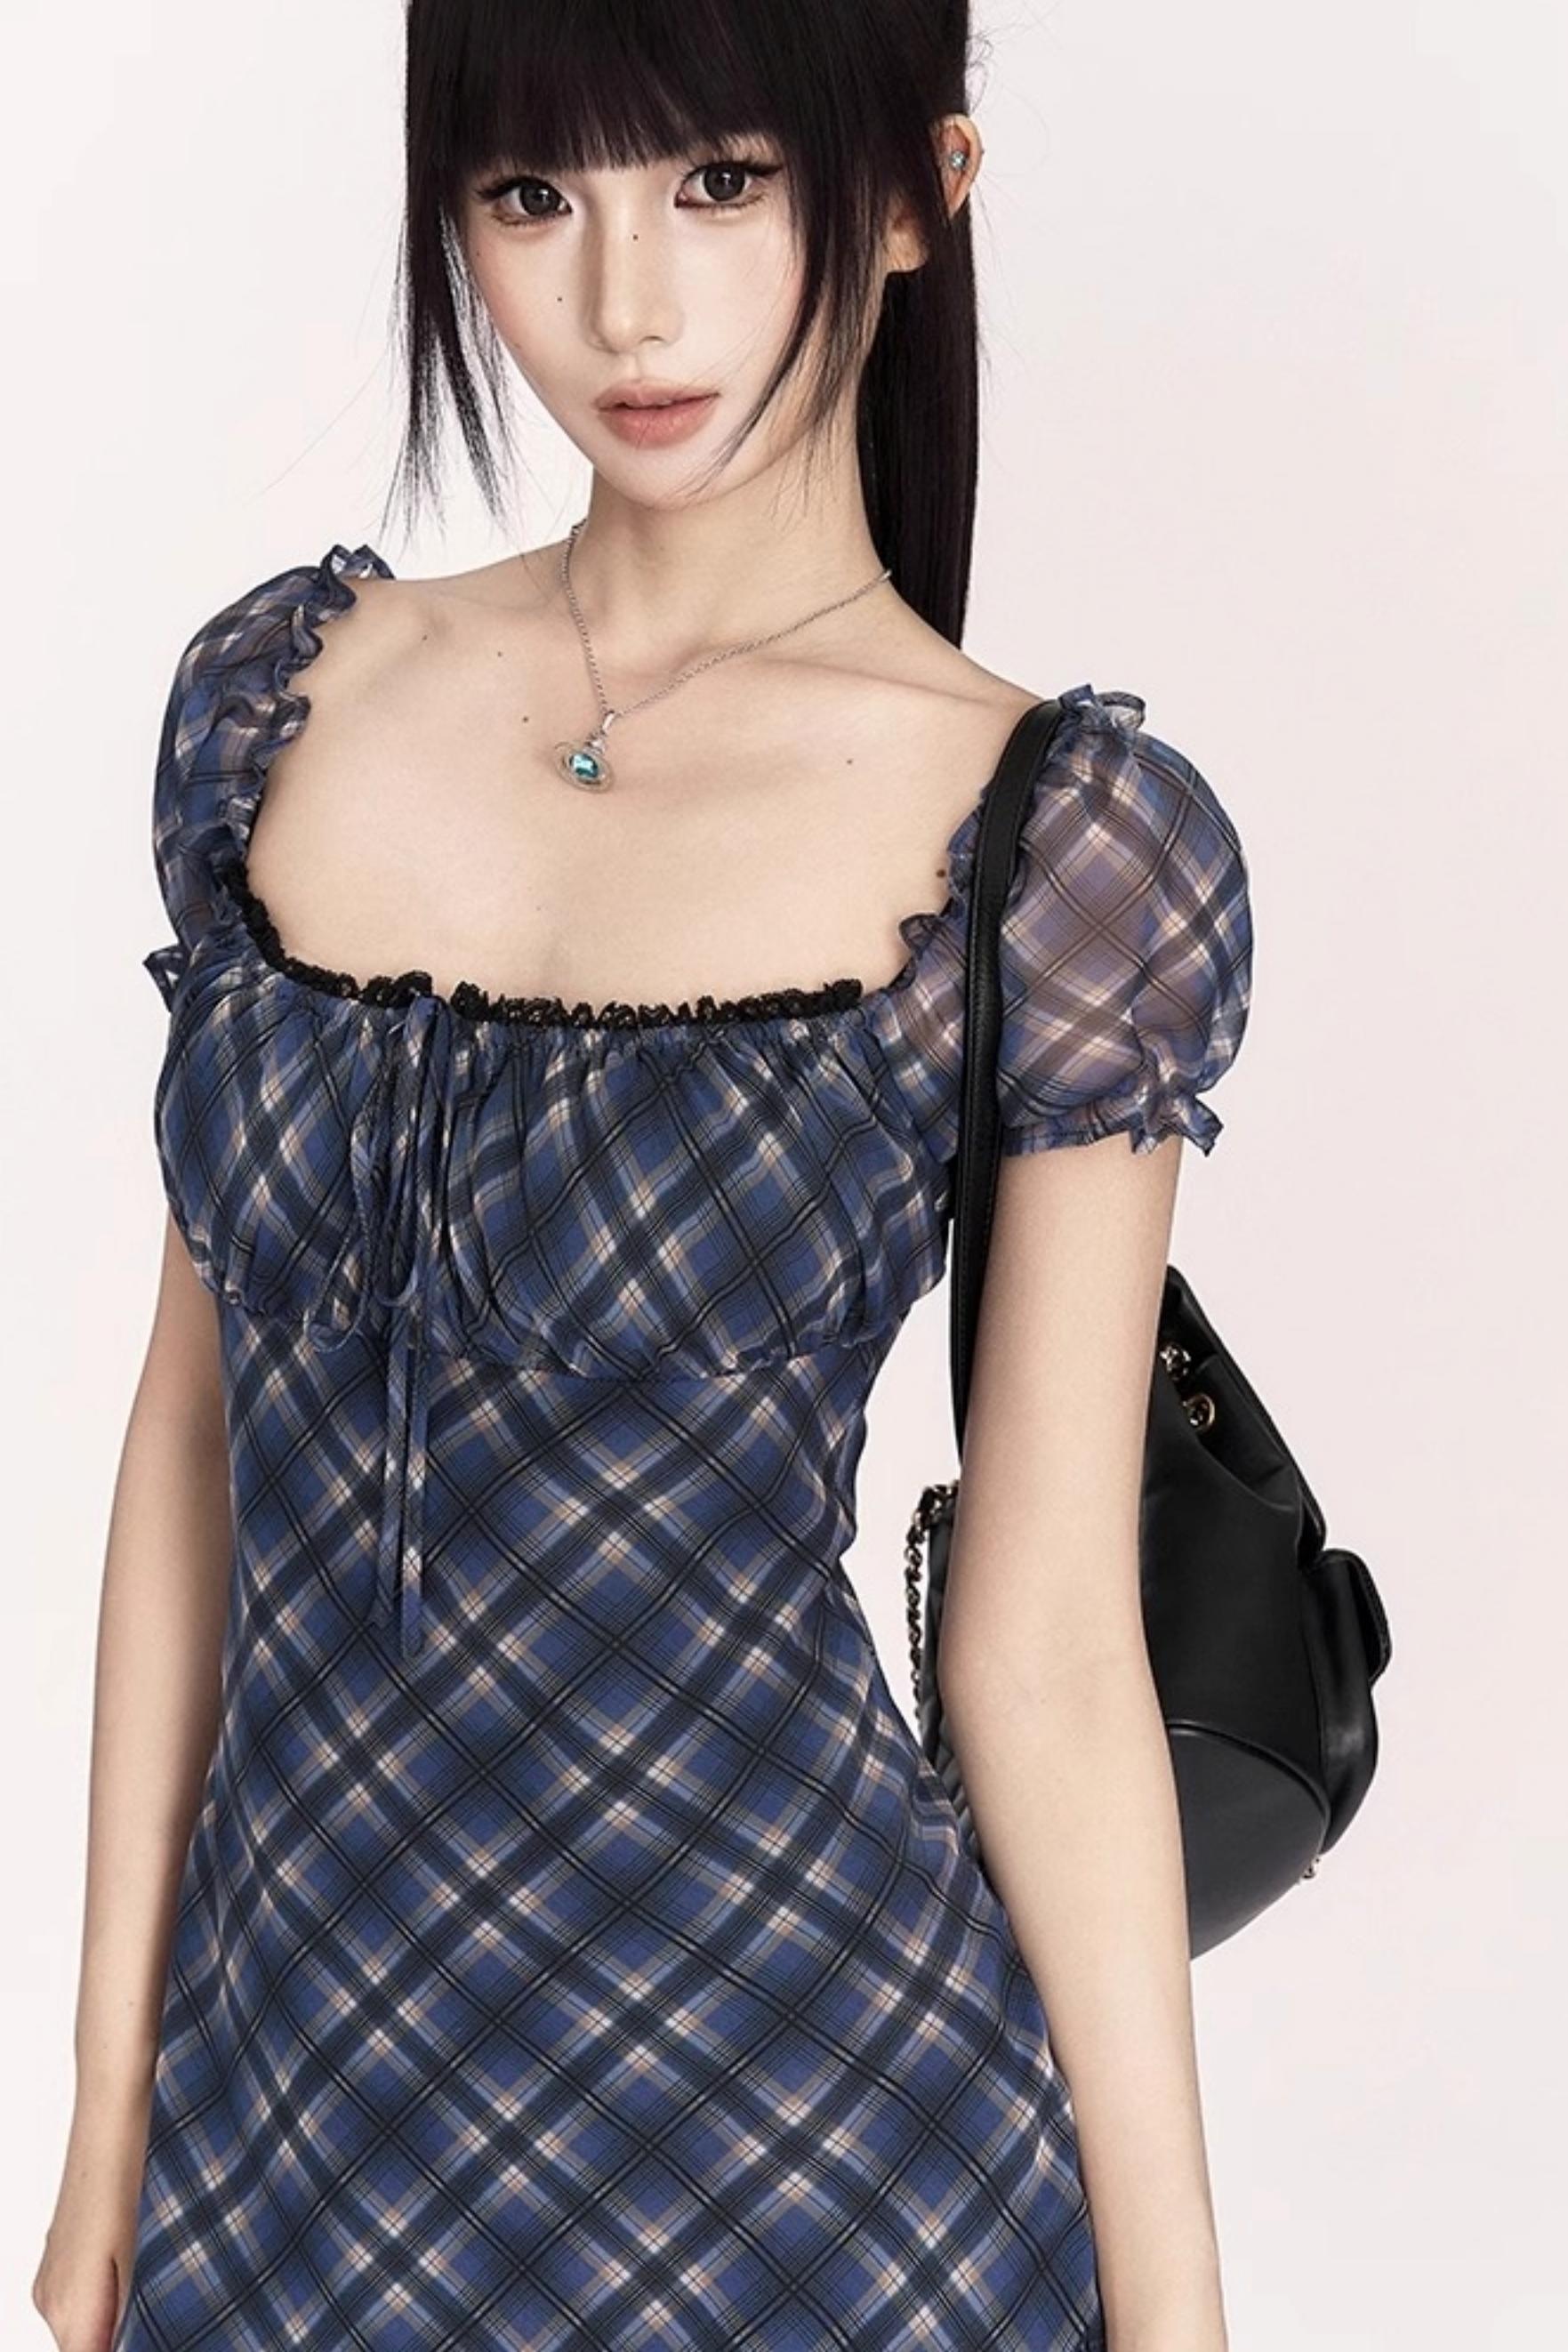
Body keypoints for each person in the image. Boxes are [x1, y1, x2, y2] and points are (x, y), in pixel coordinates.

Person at [34, 4, 1255, 2348]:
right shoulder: (282, 703)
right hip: (287, 2158)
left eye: (718, 182)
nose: (622, 302)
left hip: (814, 2177)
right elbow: (191, 1445)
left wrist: (1178, 2316)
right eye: (532, 195)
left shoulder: (1058, 847)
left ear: (911, 197)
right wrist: (108, 2125)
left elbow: (1046, 1648)